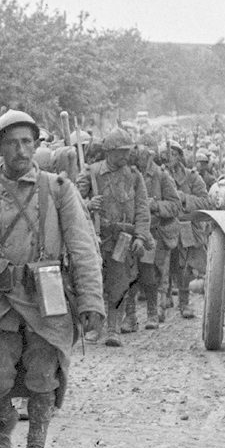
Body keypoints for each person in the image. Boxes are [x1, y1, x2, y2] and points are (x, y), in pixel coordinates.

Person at [0, 110, 104, 448]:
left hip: (46, 299)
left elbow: (83, 248)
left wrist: (91, 301)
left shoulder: (59, 189)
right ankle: (4, 417)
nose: (21, 150)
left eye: (28, 142)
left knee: (42, 376)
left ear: (36, 146)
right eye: (13, 143)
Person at [77, 129, 150, 347]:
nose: (125, 157)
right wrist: (88, 205)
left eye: (127, 152)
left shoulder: (134, 176)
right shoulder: (92, 173)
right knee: (94, 282)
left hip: (122, 239)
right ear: (109, 152)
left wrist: (141, 237)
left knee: (118, 283)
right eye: (120, 152)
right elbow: (72, 203)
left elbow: (142, 209)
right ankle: (94, 328)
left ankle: (113, 329)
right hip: (96, 237)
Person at [126, 136, 181, 332]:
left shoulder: (161, 176)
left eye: (142, 156)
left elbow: (175, 205)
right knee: (130, 275)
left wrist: (155, 205)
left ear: (150, 156)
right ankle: (130, 317)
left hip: (156, 232)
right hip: (133, 231)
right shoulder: (129, 175)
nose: (138, 160)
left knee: (154, 273)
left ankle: (156, 311)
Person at [164, 141, 212, 319]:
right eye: (166, 155)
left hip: (186, 227)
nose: (169, 158)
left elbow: (206, 202)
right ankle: (164, 298)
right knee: (163, 266)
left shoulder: (192, 177)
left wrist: (185, 199)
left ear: (180, 156)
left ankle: (184, 303)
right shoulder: (159, 176)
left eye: (173, 154)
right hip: (164, 226)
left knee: (184, 267)